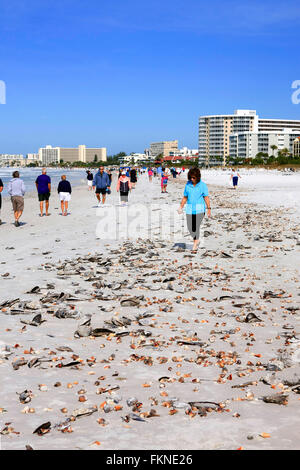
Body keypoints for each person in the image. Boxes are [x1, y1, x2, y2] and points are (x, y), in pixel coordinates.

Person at [177, 167, 211, 253]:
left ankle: (195, 244)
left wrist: (209, 208)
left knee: (195, 226)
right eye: (191, 177)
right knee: (190, 228)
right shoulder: (188, 185)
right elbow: (185, 197)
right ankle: (196, 239)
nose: (192, 179)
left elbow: (206, 197)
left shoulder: (203, 185)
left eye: (194, 178)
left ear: (198, 177)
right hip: (189, 209)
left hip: (200, 209)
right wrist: (181, 206)